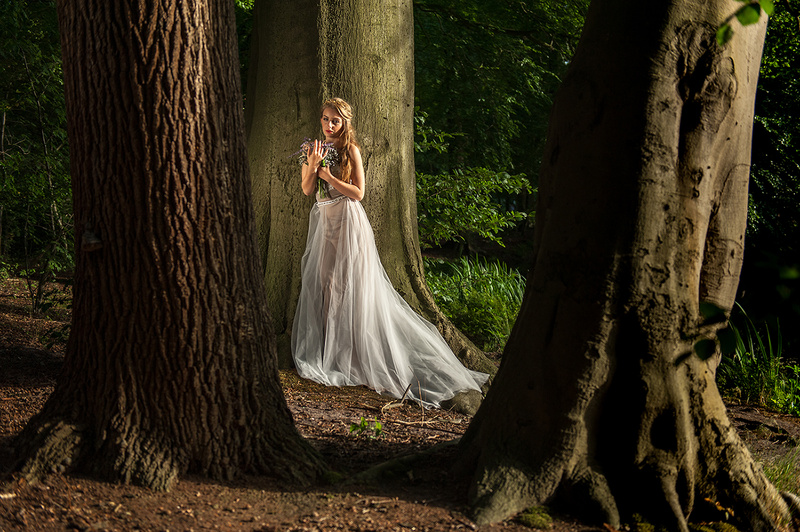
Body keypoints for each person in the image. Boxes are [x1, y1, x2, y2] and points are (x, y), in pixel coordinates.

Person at [291, 97, 489, 408]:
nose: (329, 125)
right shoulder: (313, 150)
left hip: (347, 221)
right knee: (325, 285)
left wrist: (329, 178)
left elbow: (359, 192)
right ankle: (330, 351)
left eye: (335, 121)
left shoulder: (349, 150)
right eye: (326, 119)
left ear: (344, 124)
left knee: (351, 286)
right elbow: (305, 190)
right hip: (323, 223)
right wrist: (313, 167)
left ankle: (356, 353)